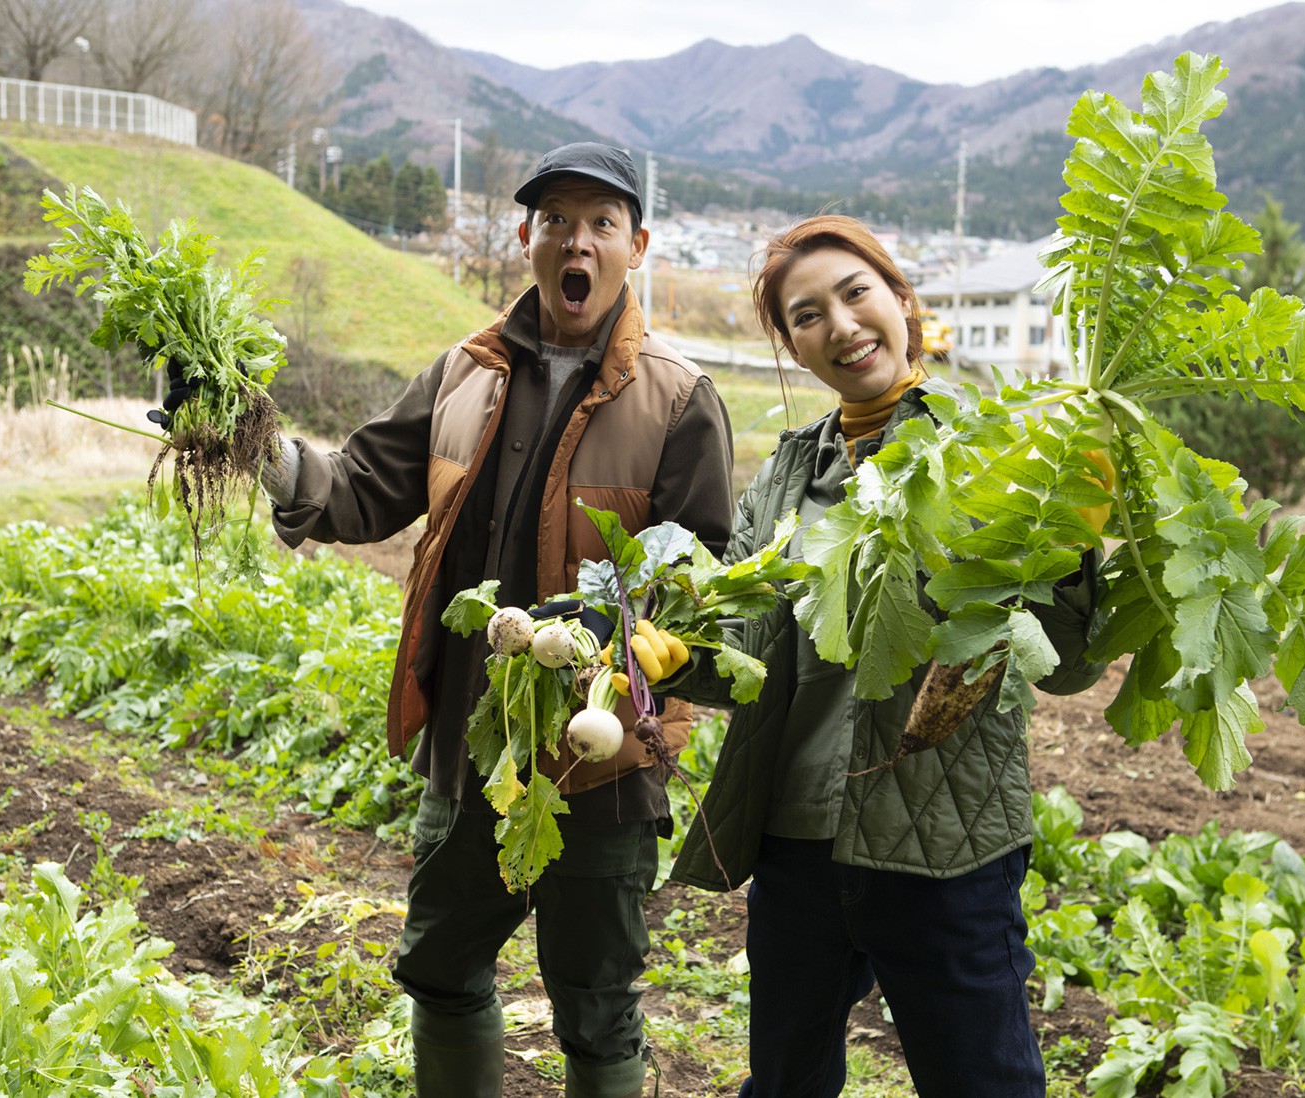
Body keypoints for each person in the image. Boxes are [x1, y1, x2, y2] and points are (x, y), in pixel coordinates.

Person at [239, 143, 734, 1098]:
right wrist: (254, 442)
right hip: (473, 751)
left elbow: (696, 590)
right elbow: (359, 487)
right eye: (556, 222)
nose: (574, 242)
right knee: (439, 966)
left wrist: (595, 630)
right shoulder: (464, 373)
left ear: (637, 246)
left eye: (599, 223)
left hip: (601, 766)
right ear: (526, 239)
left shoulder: (680, 399)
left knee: (596, 1011)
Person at [665, 215, 1106, 1098]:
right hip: (795, 846)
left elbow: (1064, 663)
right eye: (807, 314)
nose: (840, 323)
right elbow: (747, 659)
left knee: (983, 1085)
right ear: (795, 347)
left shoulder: (997, 449)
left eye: (855, 292)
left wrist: (1077, 539)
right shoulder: (786, 479)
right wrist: (669, 652)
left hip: (940, 841)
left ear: (902, 301)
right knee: (785, 1083)